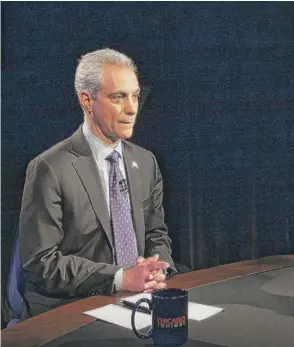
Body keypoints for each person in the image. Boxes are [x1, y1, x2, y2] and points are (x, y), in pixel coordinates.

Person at [18, 48, 178, 318]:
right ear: (86, 101)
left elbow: (156, 234)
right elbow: (40, 263)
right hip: (70, 307)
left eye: (135, 96)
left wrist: (156, 269)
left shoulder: (146, 162)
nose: (131, 108)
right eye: (118, 97)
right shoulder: (49, 168)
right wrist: (119, 278)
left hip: (139, 300)